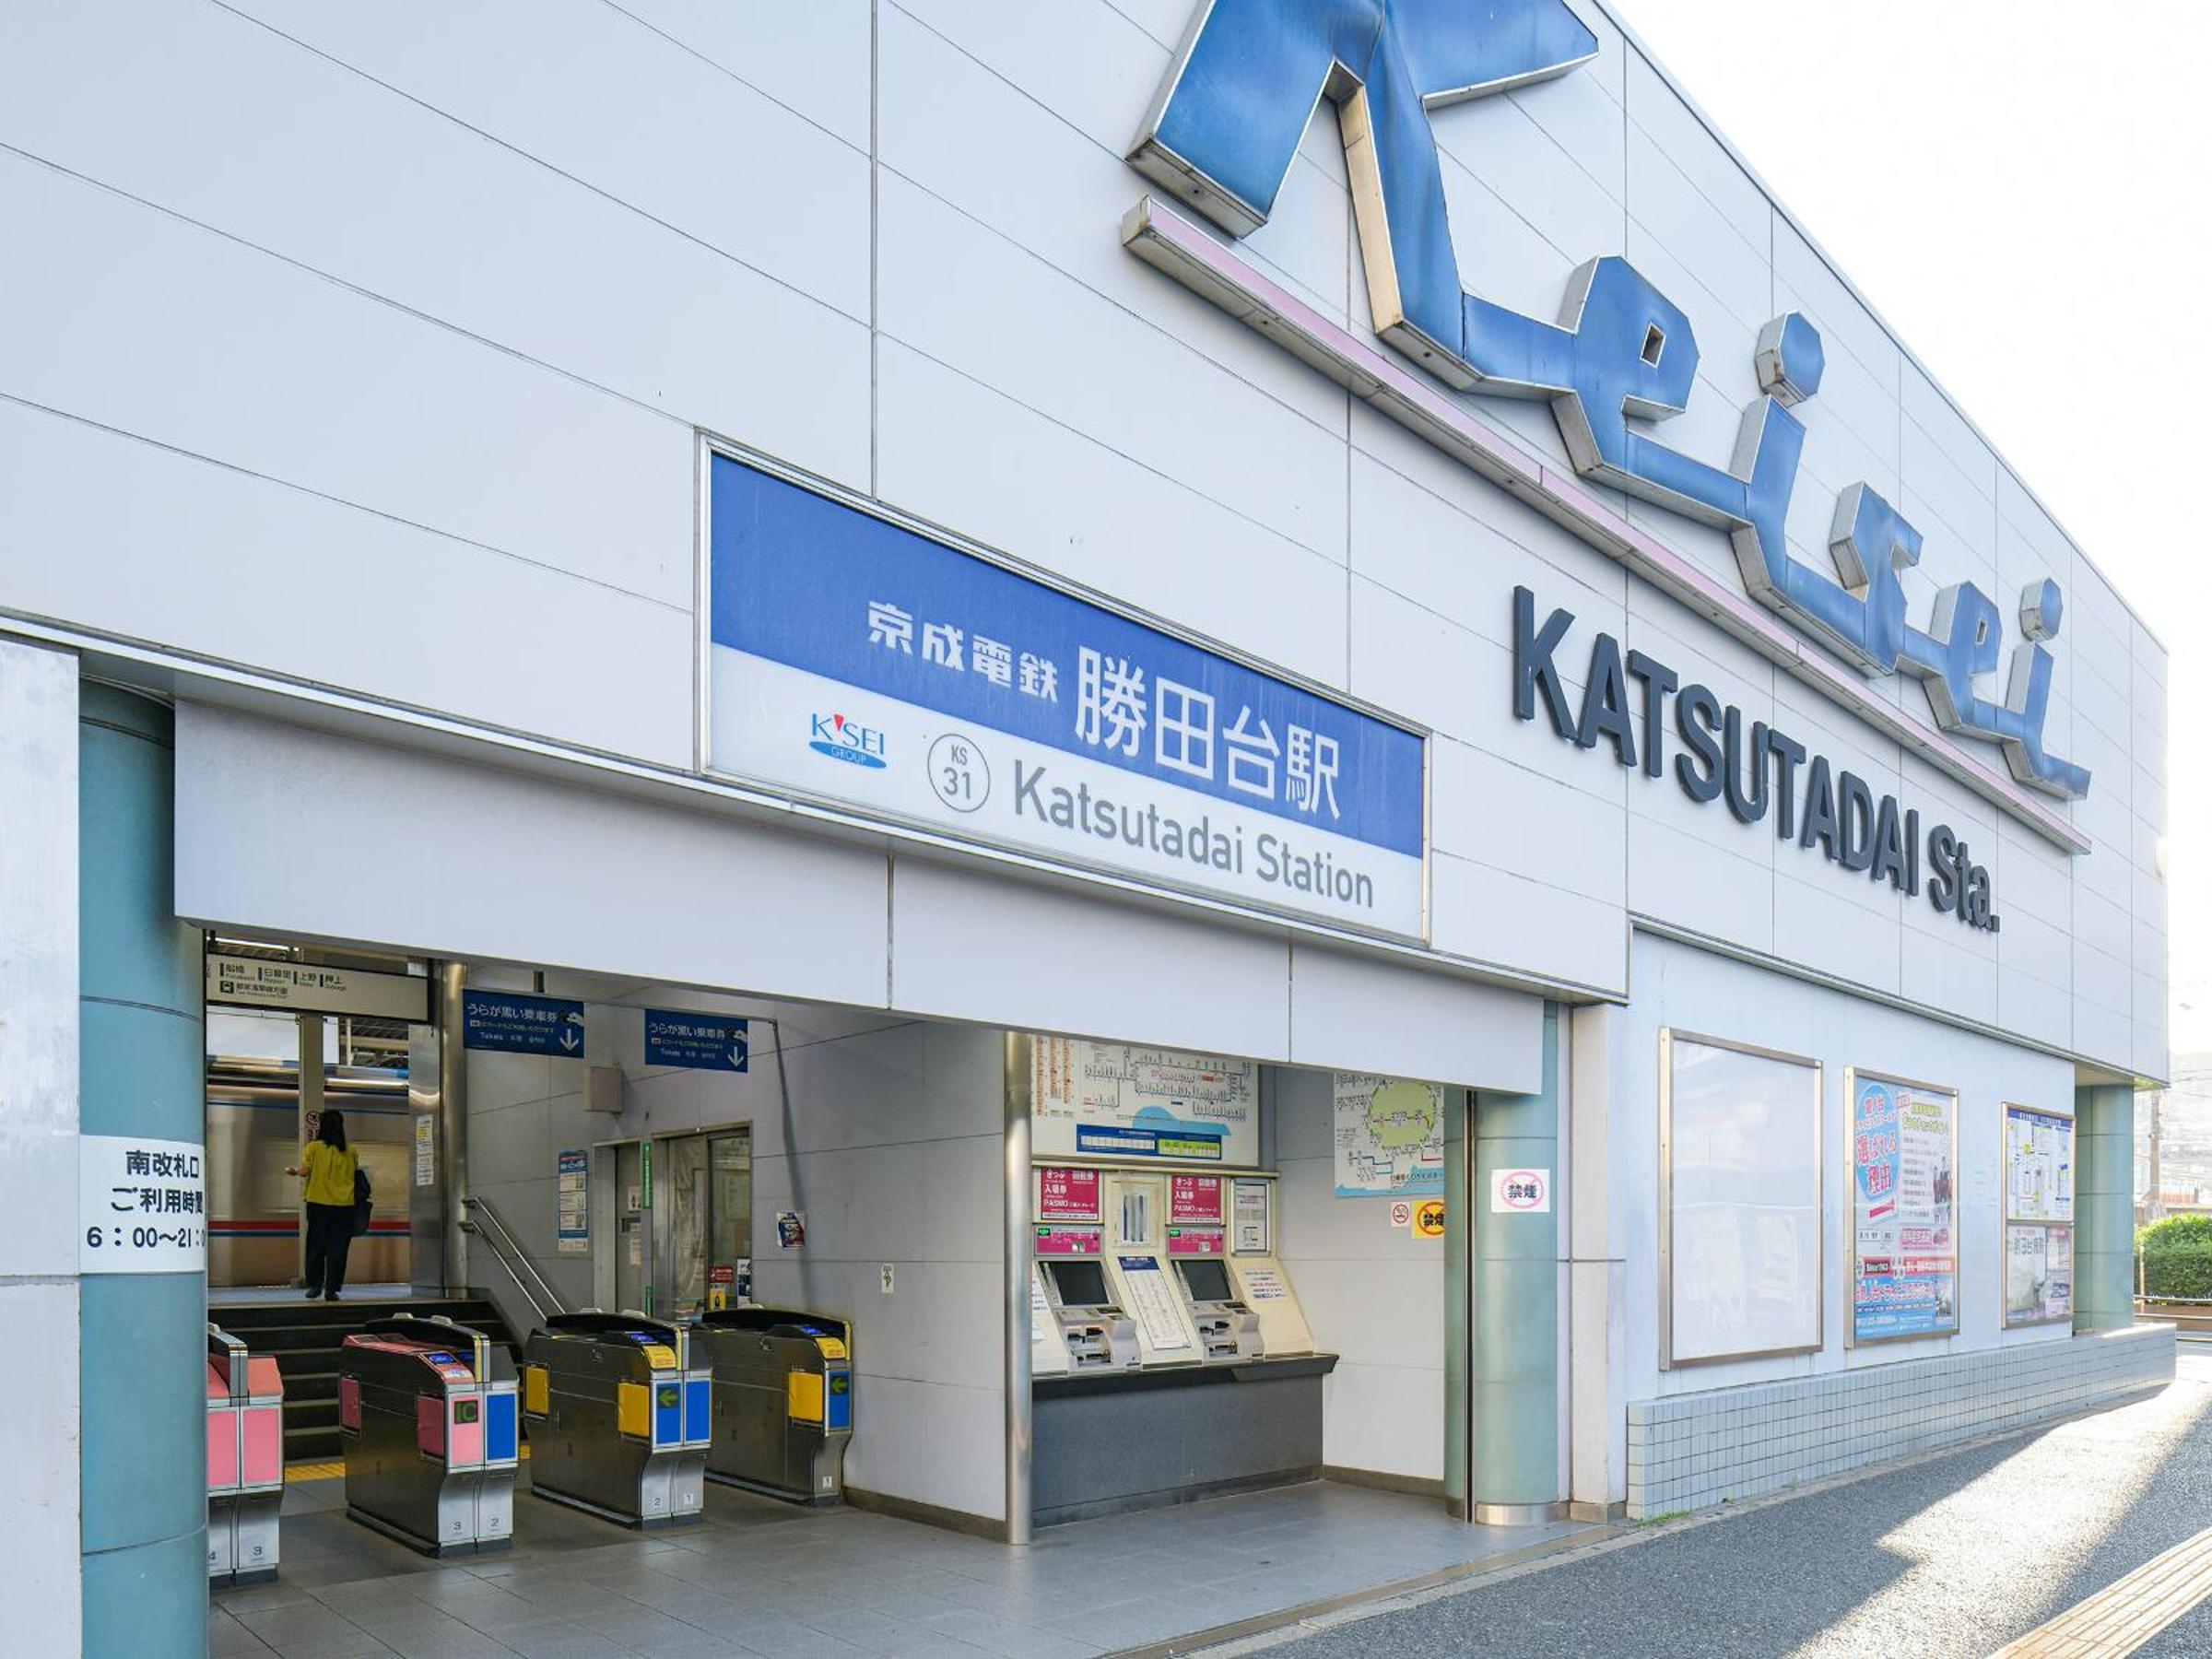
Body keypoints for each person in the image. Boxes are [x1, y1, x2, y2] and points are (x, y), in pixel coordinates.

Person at [286, 1110, 359, 1301]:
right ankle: (332, 1289)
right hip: (345, 1206)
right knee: (338, 1249)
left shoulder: (314, 1148)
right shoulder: (351, 1150)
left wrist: (292, 1171)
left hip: (318, 1205)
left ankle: (315, 1285)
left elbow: (304, 1171)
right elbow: (354, 1174)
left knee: (316, 1246)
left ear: (322, 1127)